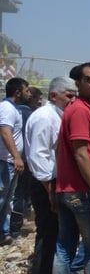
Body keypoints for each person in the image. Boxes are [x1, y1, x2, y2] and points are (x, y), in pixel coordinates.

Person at [52, 62, 90, 274]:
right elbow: (80, 153)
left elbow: (62, 149)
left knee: (65, 246)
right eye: (89, 80)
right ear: (78, 83)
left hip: (67, 190)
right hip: (83, 191)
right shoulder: (81, 111)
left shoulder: (78, 110)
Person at [23, 76, 76, 274]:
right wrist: (50, 191)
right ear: (54, 95)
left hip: (52, 182)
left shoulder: (58, 115)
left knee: (53, 235)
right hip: (44, 183)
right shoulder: (45, 117)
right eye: (69, 95)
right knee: (47, 235)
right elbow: (39, 156)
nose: (73, 100)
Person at [0, 77, 31, 246]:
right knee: (1, 199)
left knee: (6, 201)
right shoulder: (6, 108)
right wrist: (17, 156)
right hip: (5, 161)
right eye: (26, 90)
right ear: (18, 92)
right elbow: (5, 132)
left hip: (9, 162)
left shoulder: (14, 109)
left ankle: (3, 234)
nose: (29, 94)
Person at [10, 86, 42, 238]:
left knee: (16, 193)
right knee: (21, 193)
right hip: (24, 159)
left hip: (15, 158)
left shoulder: (16, 112)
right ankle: (15, 228)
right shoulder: (31, 115)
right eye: (38, 99)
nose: (40, 102)